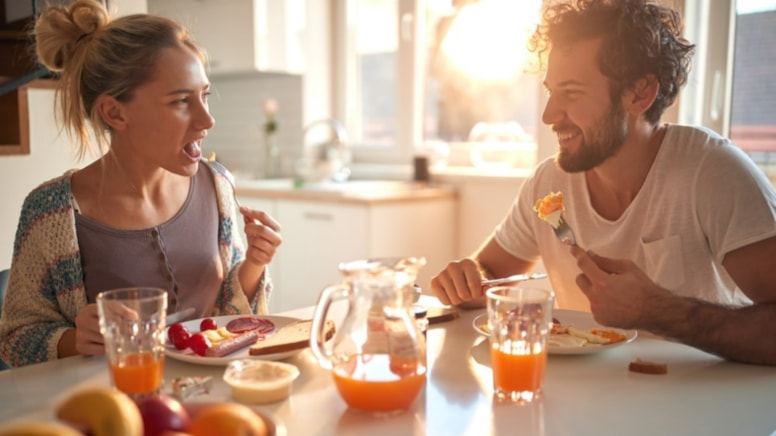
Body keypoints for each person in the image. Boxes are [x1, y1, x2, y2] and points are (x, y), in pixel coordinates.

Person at [430, 0, 776, 365]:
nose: (549, 115)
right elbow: (490, 275)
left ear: (639, 94)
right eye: (551, 92)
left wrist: (657, 309)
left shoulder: (712, 173)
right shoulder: (548, 183)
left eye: (572, 93)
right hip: (582, 406)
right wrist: (468, 282)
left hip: (704, 411)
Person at [0, 0, 282, 367]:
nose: (207, 119)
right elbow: (14, 338)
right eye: (182, 100)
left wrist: (254, 266)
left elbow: (227, 319)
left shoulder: (218, 186)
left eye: (204, 95)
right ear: (115, 112)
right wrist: (73, 340)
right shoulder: (50, 212)